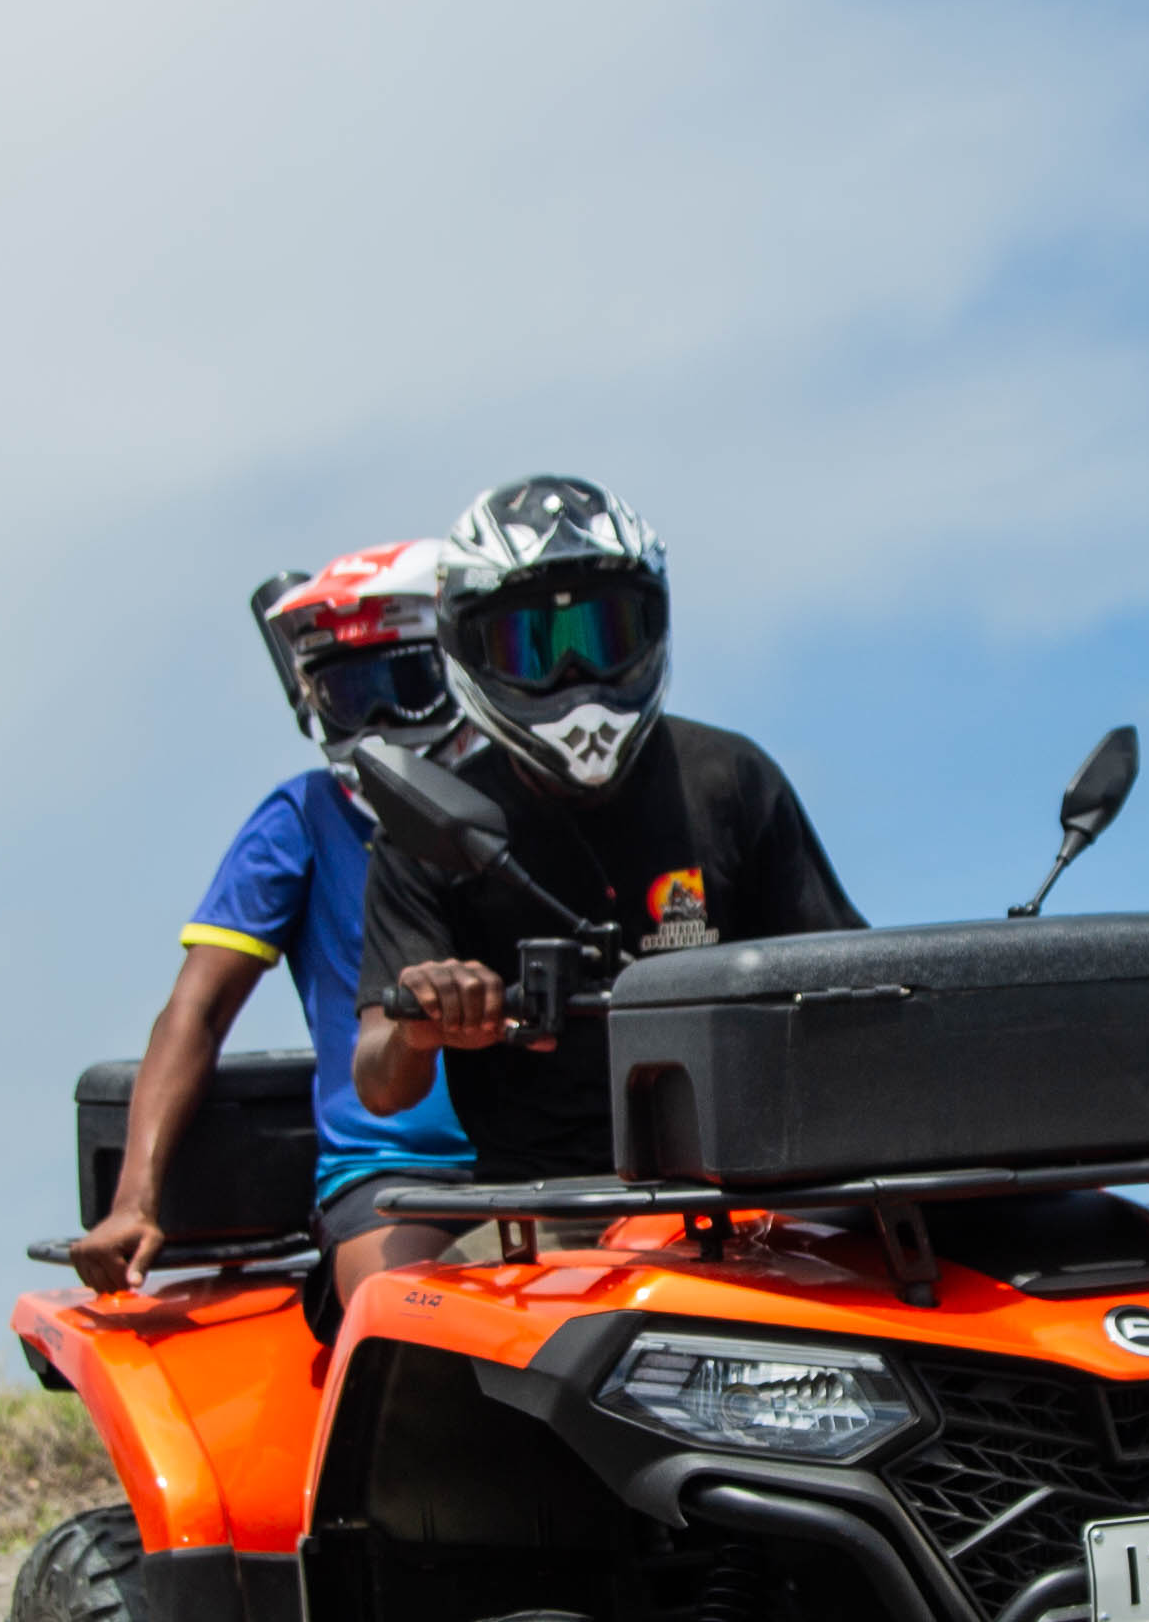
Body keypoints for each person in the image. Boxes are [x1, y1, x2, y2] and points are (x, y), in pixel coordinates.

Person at [351, 475, 858, 1290]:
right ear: (470, 652)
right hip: (540, 1215)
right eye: (532, 647)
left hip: (753, 1194)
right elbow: (377, 1082)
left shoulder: (730, 780)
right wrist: (421, 1023)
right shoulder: (428, 833)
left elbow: (851, 995)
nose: (575, 673)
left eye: (603, 631)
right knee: (413, 1326)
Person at [70, 542, 477, 1293]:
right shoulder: (304, 817)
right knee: (415, 1322)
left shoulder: (528, 802)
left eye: (406, 685)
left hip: (559, 1164)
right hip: (392, 1180)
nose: (382, 718)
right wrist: (135, 1199)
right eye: (353, 694)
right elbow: (197, 1010)